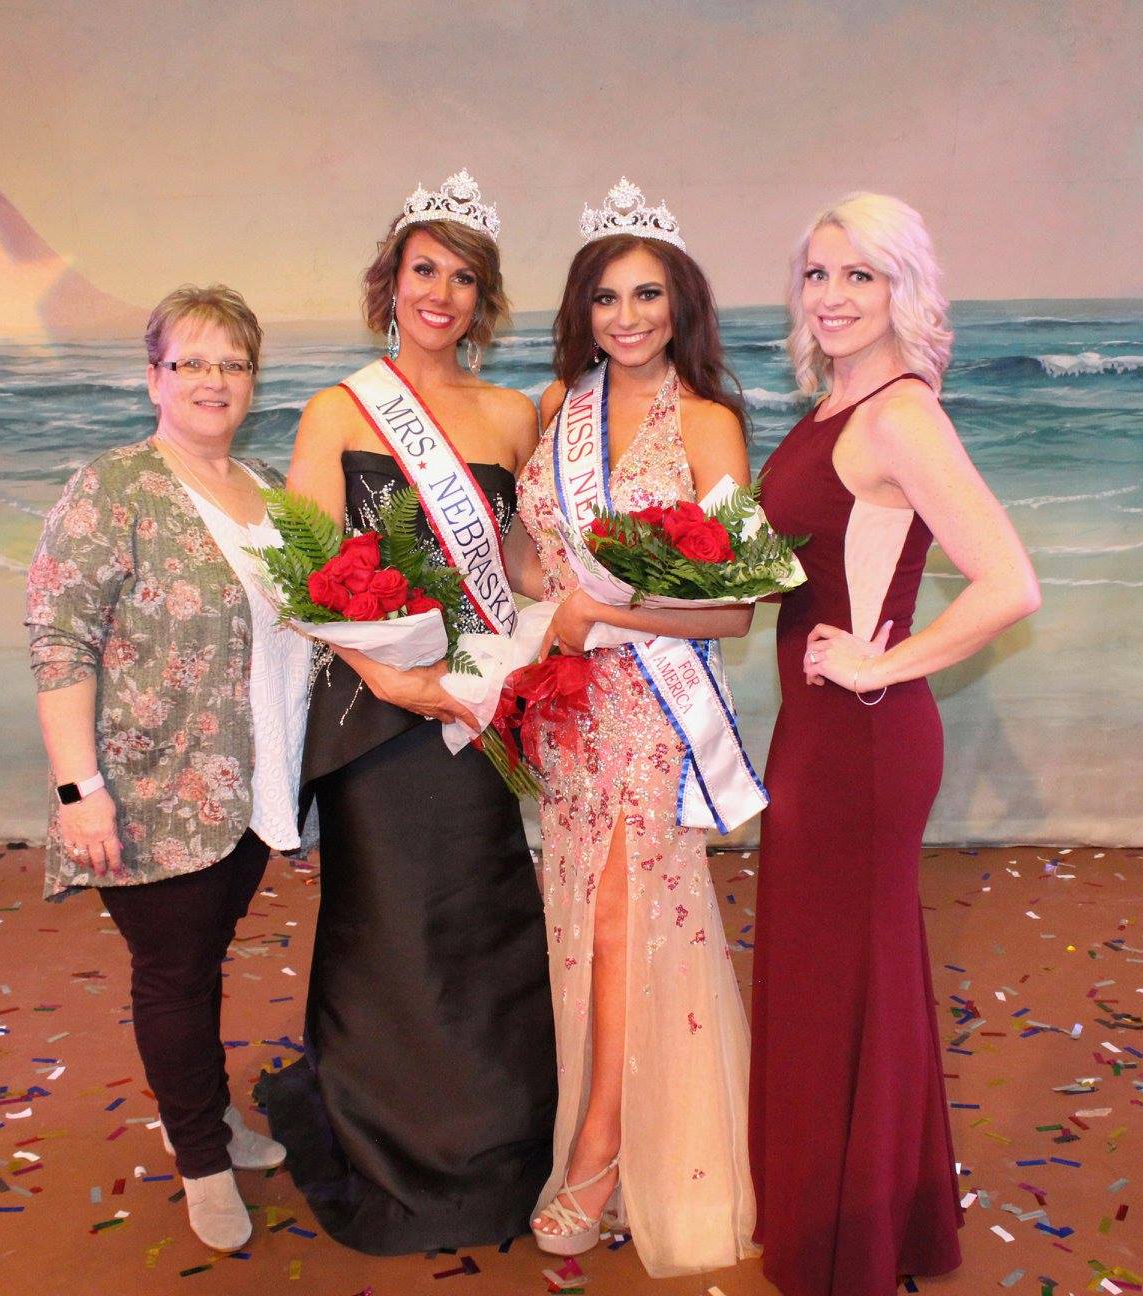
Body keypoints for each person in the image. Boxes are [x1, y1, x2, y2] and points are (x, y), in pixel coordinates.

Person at [252, 170, 558, 1254]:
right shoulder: (339, 409)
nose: (441, 293)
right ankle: (390, 1146)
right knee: (391, 930)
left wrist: (596, 590)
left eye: (463, 278)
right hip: (377, 718)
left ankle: (498, 1141)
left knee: (484, 922)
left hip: (473, 706)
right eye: (424, 270)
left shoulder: (512, 414)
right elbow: (303, 571)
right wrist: (386, 676)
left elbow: (516, 564)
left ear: (484, 300)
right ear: (390, 284)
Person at [751, 193, 1042, 1293]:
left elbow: (1009, 584)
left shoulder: (900, 415)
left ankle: (852, 1245)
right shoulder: (835, 403)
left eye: (859, 275)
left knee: (847, 980)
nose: (832, 296)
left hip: (862, 739)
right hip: (818, 730)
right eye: (817, 274)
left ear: (901, 289)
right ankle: (869, 1224)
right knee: (833, 975)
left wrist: (882, 665)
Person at [25, 284, 311, 1253]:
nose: (212, 380)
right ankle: (200, 1158)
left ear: (253, 380)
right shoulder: (112, 489)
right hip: (148, 791)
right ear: (154, 378)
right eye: (191, 362)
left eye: (232, 363)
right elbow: (59, 641)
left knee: (204, 959)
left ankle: (210, 1115)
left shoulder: (270, 491)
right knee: (176, 975)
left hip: (253, 786)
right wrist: (80, 792)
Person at [515, 179, 760, 1276]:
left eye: (647, 294)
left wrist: (603, 614)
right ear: (583, 308)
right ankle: (607, 1129)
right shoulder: (553, 408)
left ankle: (600, 1156)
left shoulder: (708, 424)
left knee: (622, 924)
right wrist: (537, 607)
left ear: (679, 303)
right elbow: (528, 551)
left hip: (653, 713)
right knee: (582, 925)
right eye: (607, 297)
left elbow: (735, 607)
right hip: (568, 715)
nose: (627, 317)